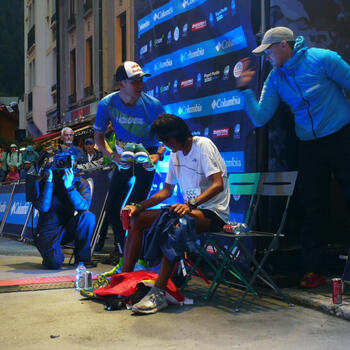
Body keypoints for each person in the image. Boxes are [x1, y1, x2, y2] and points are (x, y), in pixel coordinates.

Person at [237, 26, 350, 288]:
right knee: (312, 205)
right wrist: (244, 90)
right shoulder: (275, 78)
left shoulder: (323, 58)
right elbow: (260, 116)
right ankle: (314, 269)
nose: (266, 57)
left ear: (284, 45)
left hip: (341, 135)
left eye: (268, 51)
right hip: (309, 145)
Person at [121, 114, 230, 314]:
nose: (164, 144)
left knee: (176, 224)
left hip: (213, 212)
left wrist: (191, 204)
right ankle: (123, 281)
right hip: (190, 210)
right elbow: (166, 192)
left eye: (164, 140)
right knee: (138, 219)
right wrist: (139, 206)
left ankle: (159, 293)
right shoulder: (175, 154)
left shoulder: (203, 145)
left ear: (175, 135)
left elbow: (218, 184)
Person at [94, 61, 165, 258]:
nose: (140, 85)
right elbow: (98, 138)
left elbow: (165, 136)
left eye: (141, 80)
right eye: (134, 81)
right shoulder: (106, 104)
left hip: (146, 152)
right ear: (121, 84)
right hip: (123, 153)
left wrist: (157, 155)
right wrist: (113, 157)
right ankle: (120, 249)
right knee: (112, 207)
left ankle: (137, 252)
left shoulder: (153, 105)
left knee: (135, 207)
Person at [32, 150, 96, 269]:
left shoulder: (79, 182)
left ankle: (82, 259)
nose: (62, 164)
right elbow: (43, 207)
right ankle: (49, 255)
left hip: (67, 228)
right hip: (47, 230)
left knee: (88, 216)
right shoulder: (41, 180)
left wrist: (69, 186)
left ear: (73, 163)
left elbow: (84, 207)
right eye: (59, 161)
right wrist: (49, 181)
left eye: (66, 161)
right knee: (54, 263)